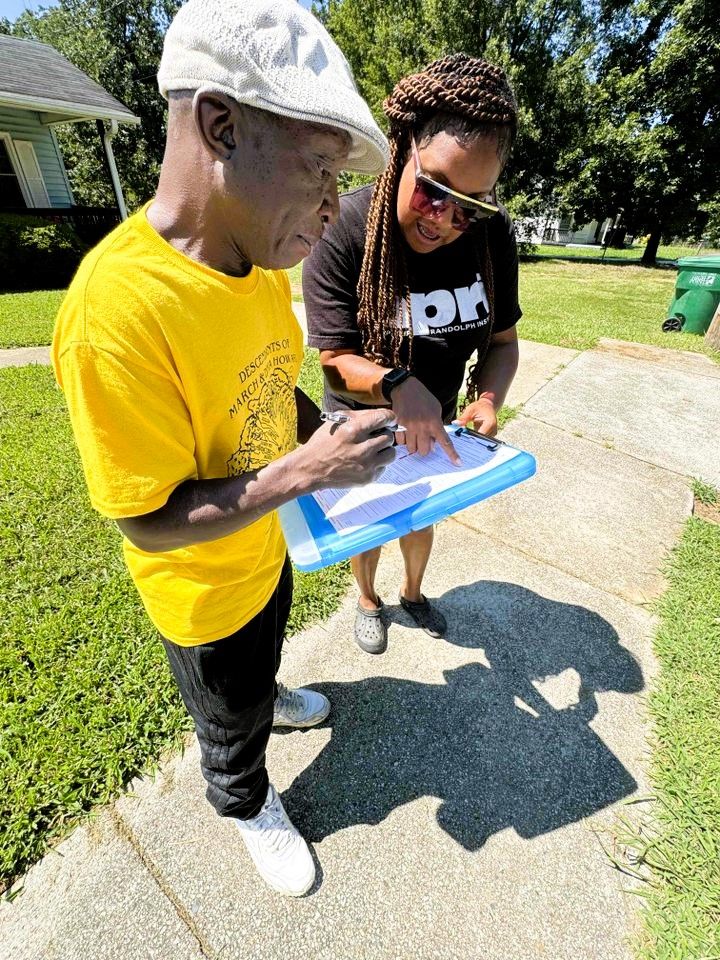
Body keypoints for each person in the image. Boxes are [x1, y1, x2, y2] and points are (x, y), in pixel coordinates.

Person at [51, 0, 396, 898]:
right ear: (220, 123)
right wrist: (309, 470)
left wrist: (320, 432)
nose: (334, 207)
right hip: (200, 596)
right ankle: (244, 800)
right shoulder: (115, 312)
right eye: (321, 169)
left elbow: (269, 380)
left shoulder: (255, 266)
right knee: (227, 708)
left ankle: (266, 702)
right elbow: (147, 522)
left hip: (267, 551)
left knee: (265, 657)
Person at [303, 54, 522, 655]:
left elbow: (502, 343)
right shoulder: (343, 226)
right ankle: (369, 600)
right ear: (403, 149)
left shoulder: (490, 235)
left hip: (440, 418)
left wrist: (486, 398)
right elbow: (333, 357)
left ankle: (415, 593)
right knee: (371, 519)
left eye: (471, 204)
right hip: (361, 417)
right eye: (433, 192)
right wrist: (398, 383)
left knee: (422, 515)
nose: (448, 220)